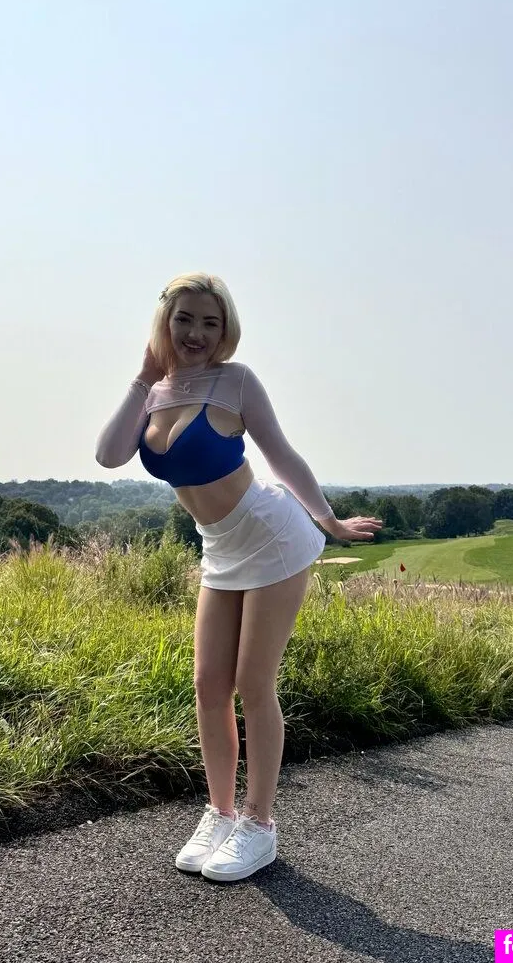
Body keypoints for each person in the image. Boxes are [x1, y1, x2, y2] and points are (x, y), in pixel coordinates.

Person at [95, 272, 382, 882]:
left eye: (211, 322)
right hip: (220, 546)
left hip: (271, 535)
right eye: (184, 319)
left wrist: (328, 520)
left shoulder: (237, 381)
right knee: (208, 685)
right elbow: (109, 454)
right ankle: (220, 813)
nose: (196, 333)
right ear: (165, 323)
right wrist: (143, 377)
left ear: (226, 329)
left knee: (254, 683)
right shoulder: (153, 392)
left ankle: (259, 824)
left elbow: (282, 455)